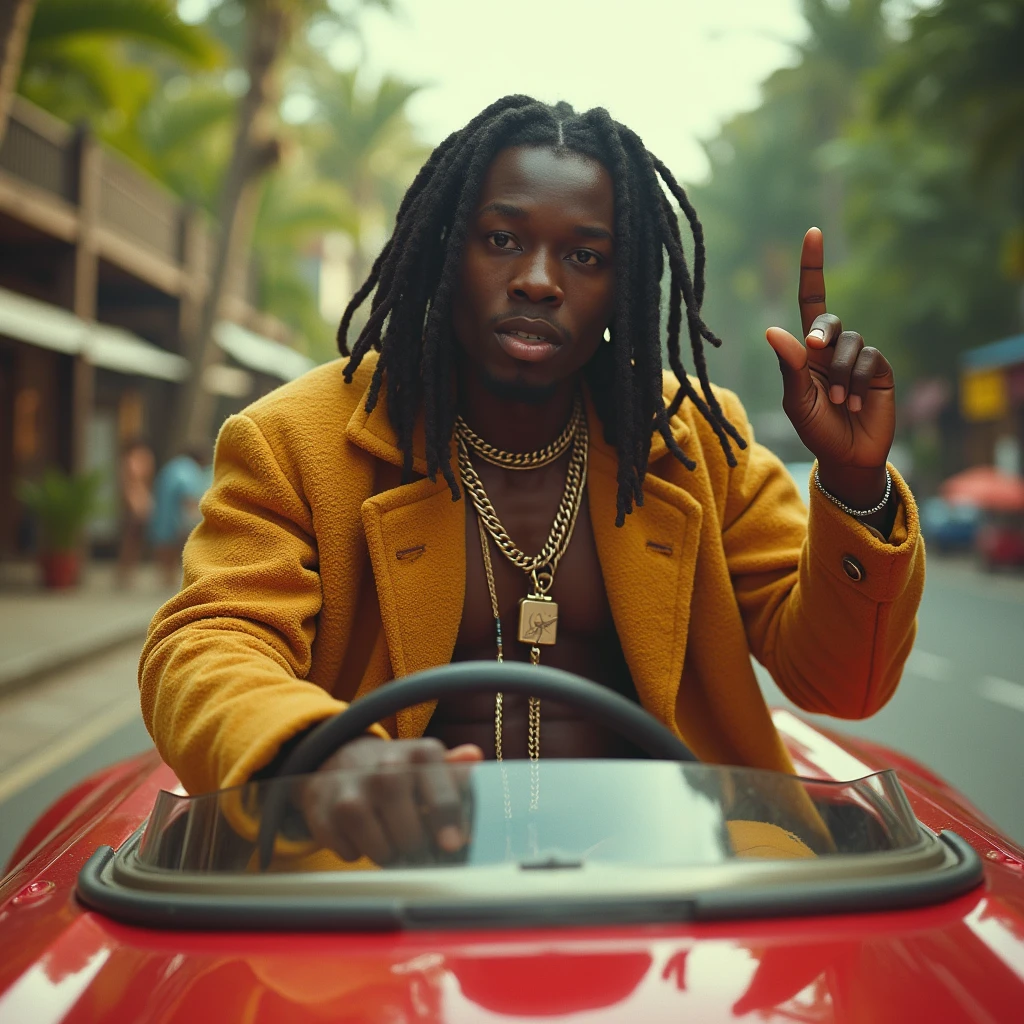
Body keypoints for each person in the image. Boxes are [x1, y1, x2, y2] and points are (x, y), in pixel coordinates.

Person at [140, 97, 923, 865]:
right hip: (382, 887)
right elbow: (207, 642)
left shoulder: (696, 443)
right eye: (503, 238)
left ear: (623, 286)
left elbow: (842, 686)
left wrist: (856, 483)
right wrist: (315, 755)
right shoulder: (292, 441)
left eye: (585, 256)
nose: (539, 280)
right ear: (448, 249)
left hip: (670, 883)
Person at [148, 446, 212, 587]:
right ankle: (170, 579)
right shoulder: (189, 469)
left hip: (162, 513)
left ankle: (166, 578)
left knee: (164, 546)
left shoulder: (173, 465)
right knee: (176, 547)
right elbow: (187, 496)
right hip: (175, 517)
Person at [115, 437, 154, 588]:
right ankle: (124, 572)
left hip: (141, 497)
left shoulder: (141, 457)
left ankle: (128, 571)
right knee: (130, 538)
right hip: (134, 499)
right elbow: (128, 480)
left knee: (135, 538)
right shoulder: (132, 459)